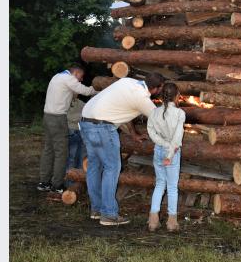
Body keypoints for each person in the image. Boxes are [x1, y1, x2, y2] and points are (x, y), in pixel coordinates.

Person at [80, 72, 165, 226]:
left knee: (94, 166)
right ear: (156, 89)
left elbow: (124, 109)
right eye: (161, 89)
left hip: (86, 121)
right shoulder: (142, 99)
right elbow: (160, 121)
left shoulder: (127, 81)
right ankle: (109, 214)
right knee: (112, 168)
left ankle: (96, 210)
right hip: (103, 127)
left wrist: (133, 133)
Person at [37, 65, 96, 194]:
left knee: (48, 150)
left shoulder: (57, 77)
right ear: (76, 73)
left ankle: (44, 182)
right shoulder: (68, 78)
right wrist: (98, 90)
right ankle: (57, 185)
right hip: (58, 119)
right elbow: (85, 91)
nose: (81, 80)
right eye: (81, 77)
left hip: (47, 117)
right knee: (61, 152)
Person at [146, 83, 185, 233]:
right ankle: (171, 223)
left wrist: (162, 143)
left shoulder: (154, 112)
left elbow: (151, 131)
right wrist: (169, 153)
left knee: (160, 183)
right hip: (172, 153)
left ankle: (153, 221)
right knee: (172, 187)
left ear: (162, 96)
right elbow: (177, 138)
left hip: (158, 150)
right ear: (177, 96)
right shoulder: (179, 113)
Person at [65, 97, 87, 181]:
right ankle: (69, 181)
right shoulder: (65, 102)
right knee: (72, 157)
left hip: (81, 131)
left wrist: (81, 116)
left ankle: (80, 179)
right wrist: (81, 116)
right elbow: (69, 117)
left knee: (82, 156)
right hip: (71, 131)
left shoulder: (80, 102)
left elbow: (88, 113)